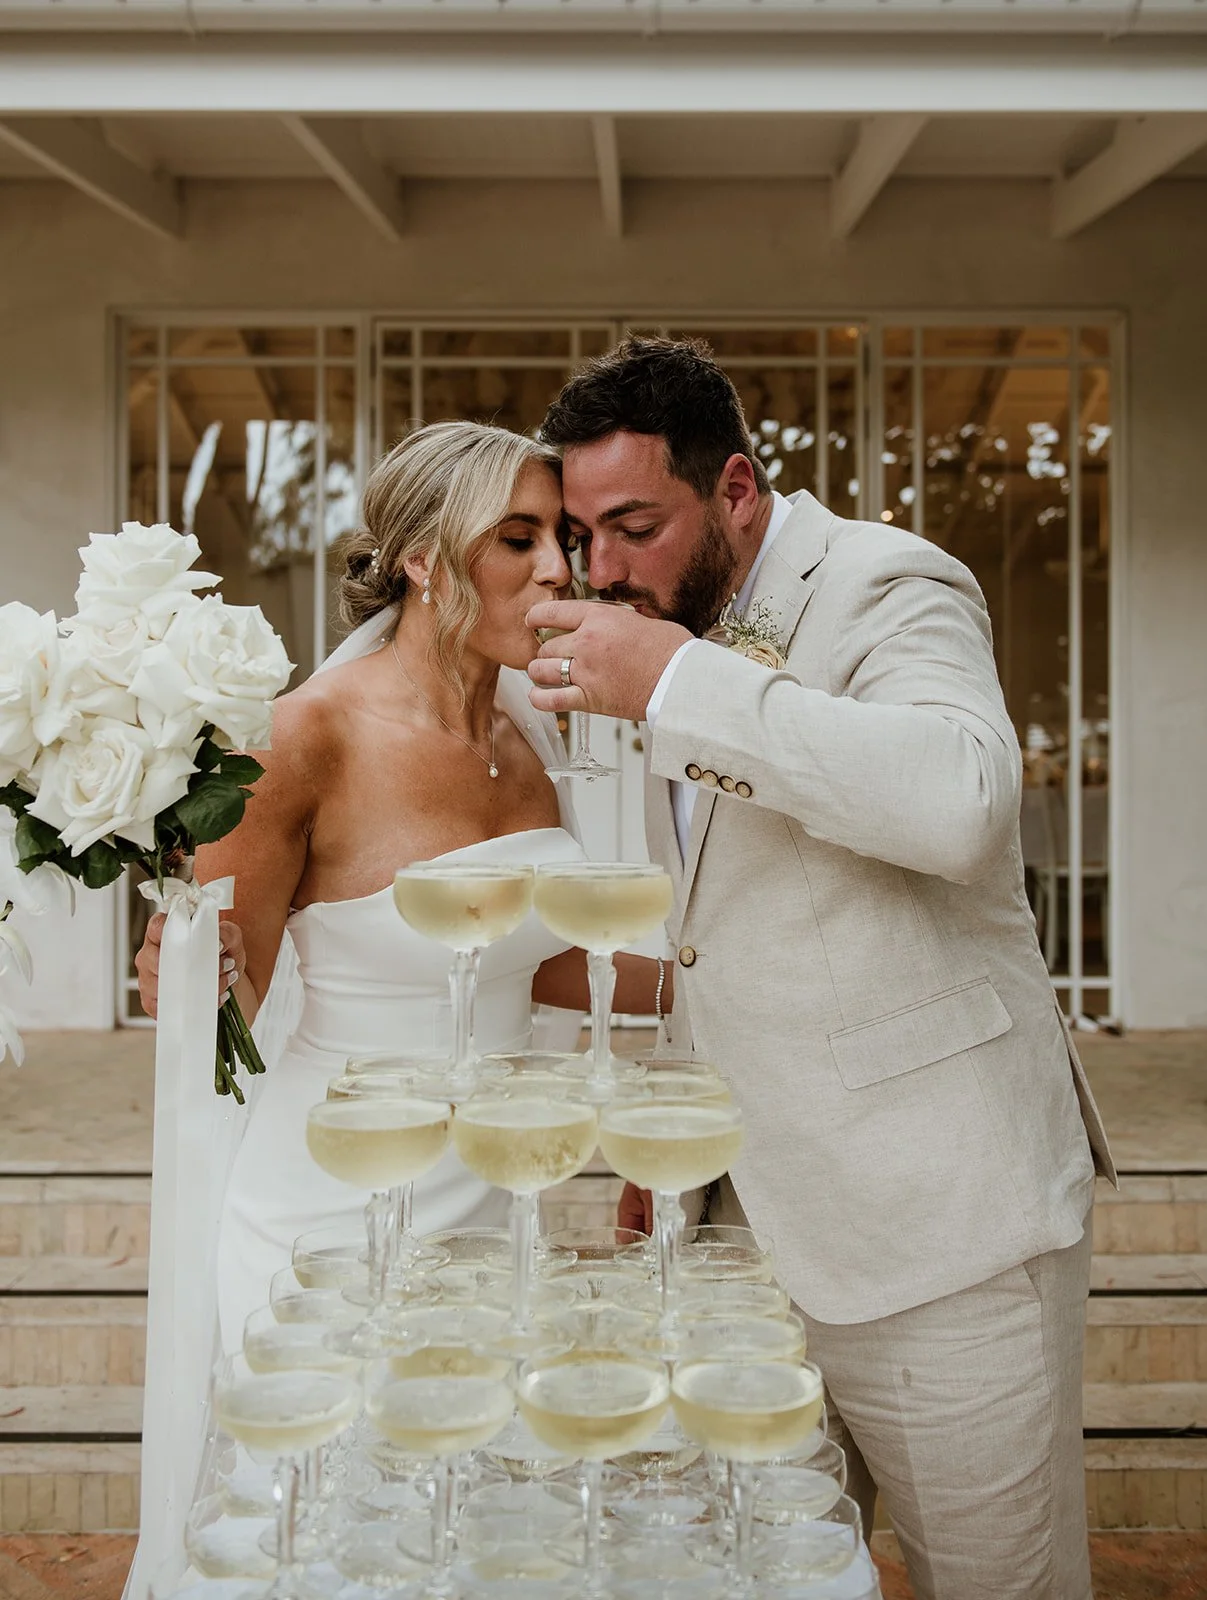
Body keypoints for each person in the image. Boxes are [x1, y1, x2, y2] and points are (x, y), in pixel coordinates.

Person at [526, 337, 1115, 1600]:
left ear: (736, 488)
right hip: (743, 1235)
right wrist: (671, 1136)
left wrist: (681, 682)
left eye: (634, 523)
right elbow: (726, 931)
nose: (605, 567)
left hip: (938, 1233)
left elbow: (960, 799)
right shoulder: (665, 627)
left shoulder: (889, 579)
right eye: (586, 534)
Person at [135, 419, 664, 1349]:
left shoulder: (527, 739)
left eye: (563, 542)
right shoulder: (300, 739)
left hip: (498, 1207)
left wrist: (723, 984)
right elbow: (226, 1009)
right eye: (518, 539)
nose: (557, 571)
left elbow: (530, 962)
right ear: (421, 559)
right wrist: (182, 974)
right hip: (332, 1209)